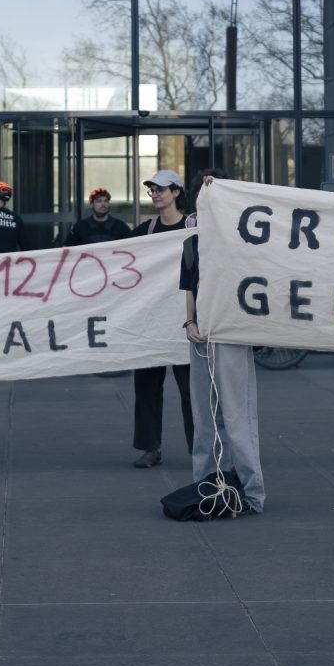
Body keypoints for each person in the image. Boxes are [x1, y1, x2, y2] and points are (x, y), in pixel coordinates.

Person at [181, 168, 264, 513]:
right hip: (202, 334)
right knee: (204, 416)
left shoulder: (242, 236)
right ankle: (206, 484)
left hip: (231, 332)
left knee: (236, 416)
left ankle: (251, 491)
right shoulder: (193, 241)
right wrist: (189, 321)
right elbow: (189, 284)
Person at [130, 170, 193, 468]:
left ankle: (200, 448)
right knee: (146, 387)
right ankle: (150, 447)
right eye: (152, 189)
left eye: (161, 189)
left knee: (191, 390)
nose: (155, 194)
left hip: (187, 320)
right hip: (152, 320)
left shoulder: (194, 227)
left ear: (177, 192)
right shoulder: (146, 229)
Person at [64, 188, 133, 247]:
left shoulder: (120, 227)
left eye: (106, 201)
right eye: (99, 201)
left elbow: (132, 246)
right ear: (92, 204)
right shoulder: (80, 227)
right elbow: (67, 248)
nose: (103, 204)